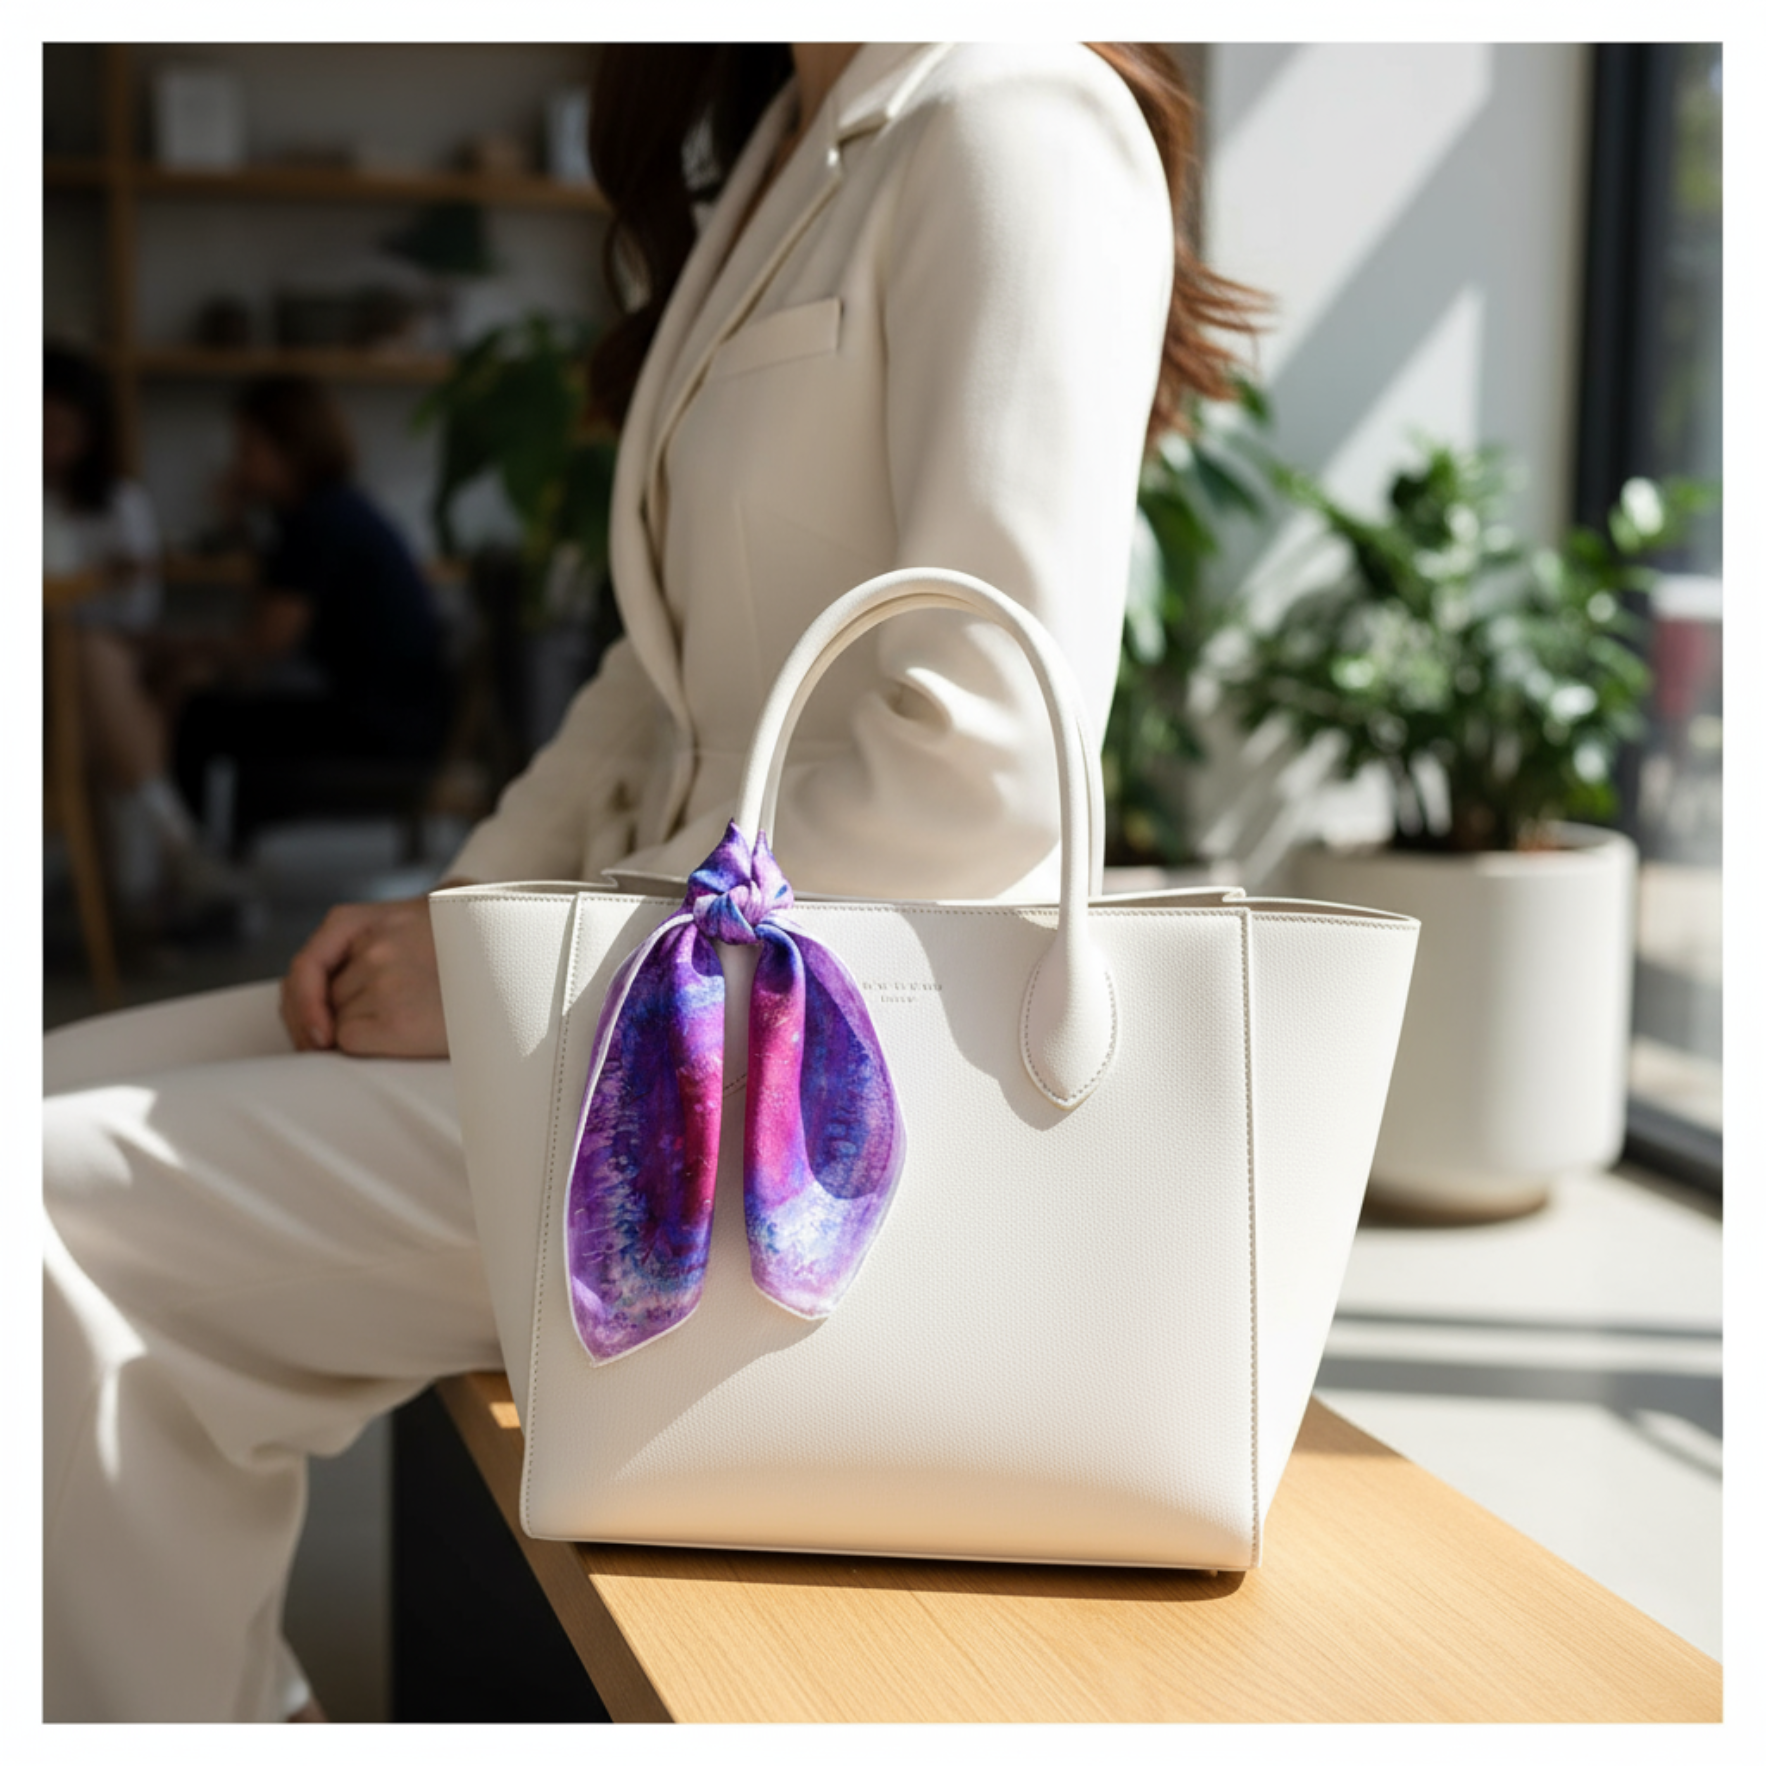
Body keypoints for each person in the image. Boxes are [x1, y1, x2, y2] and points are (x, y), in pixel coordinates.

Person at [44, 43, 1257, 1720]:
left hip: (815, 1087)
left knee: (52, 1224)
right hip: (653, 989)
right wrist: (464, 932)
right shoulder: (780, 138)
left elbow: (972, 761)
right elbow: (655, 684)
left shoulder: (1016, 118)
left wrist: (549, 963)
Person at [170, 374, 452, 857]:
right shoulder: (338, 509)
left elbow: (266, 641)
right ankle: (197, 863)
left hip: (383, 725)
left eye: (247, 448)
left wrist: (176, 652)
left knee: (199, 717)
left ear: (289, 448)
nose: (239, 464)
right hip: (409, 715)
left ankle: (193, 868)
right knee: (216, 706)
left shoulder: (317, 521)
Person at [42, 344, 236, 922]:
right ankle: (173, 843)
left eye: (64, 430)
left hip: (101, 664)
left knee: (85, 652)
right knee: (81, 652)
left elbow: (138, 610)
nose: (50, 443)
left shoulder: (120, 503)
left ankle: (134, 901)